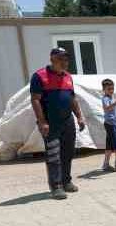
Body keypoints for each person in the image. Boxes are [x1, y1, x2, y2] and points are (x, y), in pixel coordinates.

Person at [30, 48, 86, 200]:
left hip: (67, 121)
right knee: (53, 155)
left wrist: (79, 117)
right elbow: (35, 100)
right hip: (50, 123)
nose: (65, 62)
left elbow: (72, 98)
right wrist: (42, 122)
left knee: (68, 153)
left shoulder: (68, 77)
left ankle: (66, 181)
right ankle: (56, 187)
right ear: (52, 59)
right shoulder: (39, 76)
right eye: (61, 59)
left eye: (66, 59)